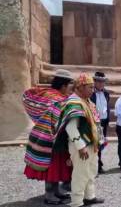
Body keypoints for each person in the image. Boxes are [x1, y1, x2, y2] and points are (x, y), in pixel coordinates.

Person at [22, 69, 73, 205]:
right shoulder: (57, 99)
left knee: (56, 165)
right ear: (63, 85)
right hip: (50, 138)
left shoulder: (46, 94)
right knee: (51, 165)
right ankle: (50, 194)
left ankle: (56, 191)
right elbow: (58, 116)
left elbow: (29, 94)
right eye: (69, 86)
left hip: (53, 137)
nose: (70, 90)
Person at [54, 73, 105, 207]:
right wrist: (81, 146)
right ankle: (77, 202)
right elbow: (71, 128)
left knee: (91, 171)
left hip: (91, 144)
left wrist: (98, 140)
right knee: (80, 174)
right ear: (80, 87)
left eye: (93, 87)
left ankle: (89, 196)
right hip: (81, 146)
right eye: (90, 87)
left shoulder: (87, 102)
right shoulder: (74, 102)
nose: (92, 90)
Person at [90, 72, 110, 174]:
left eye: (103, 82)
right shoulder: (91, 93)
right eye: (99, 82)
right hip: (94, 122)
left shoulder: (106, 93)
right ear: (95, 82)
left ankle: (99, 164)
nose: (102, 84)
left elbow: (107, 107)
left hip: (103, 121)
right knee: (94, 144)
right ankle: (94, 165)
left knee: (101, 143)